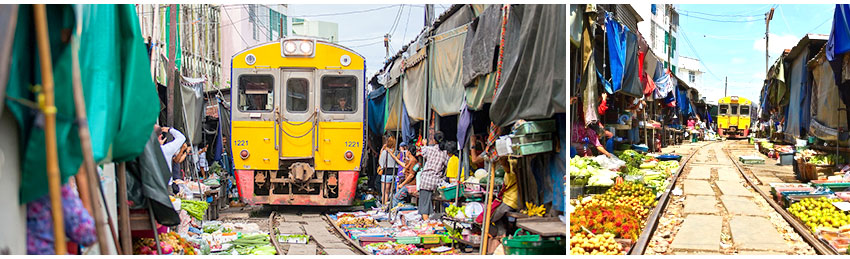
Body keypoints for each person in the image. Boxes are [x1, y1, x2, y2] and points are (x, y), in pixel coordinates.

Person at [416, 131, 450, 220]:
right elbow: (447, 164)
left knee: (424, 206)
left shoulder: (429, 149)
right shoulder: (445, 153)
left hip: (426, 180)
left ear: (435, 141)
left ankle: (427, 225)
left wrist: (424, 144)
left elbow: (422, 150)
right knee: (434, 203)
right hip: (437, 181)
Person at [379, 136, 399, 207]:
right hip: (395, 173)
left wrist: (381, 151)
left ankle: (385, 207)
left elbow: (381, 163)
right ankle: (393, 206)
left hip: (386, 173)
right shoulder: (396, 152)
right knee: (393, 192)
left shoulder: (385, 152)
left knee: (385, 192)